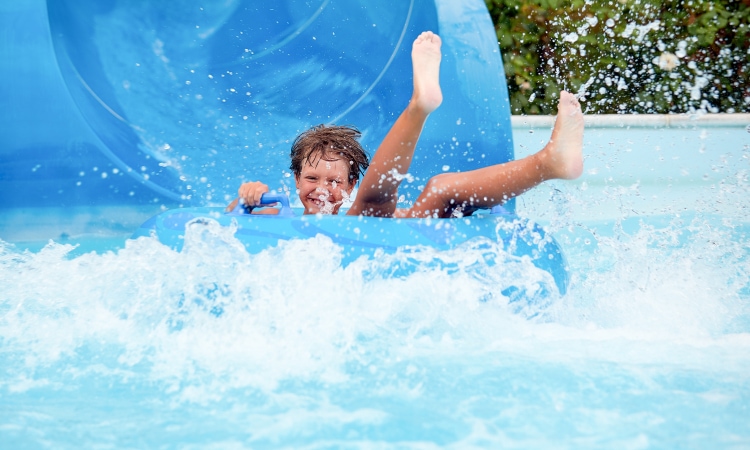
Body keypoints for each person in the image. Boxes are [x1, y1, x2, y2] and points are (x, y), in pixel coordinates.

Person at [226, 31, 584, 218]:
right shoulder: (279, 212)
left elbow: (389, 211)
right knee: (392, 199)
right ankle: (420, 106)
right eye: (312, 178)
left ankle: (548, 162)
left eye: (335, 181)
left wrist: (403, 215)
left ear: (351, 184)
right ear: (295, 179)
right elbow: (231, 221)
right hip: (368, 221)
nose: (321, 189)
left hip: (374, 226)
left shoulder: (357, 208)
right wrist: (248, 196)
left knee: (435, 190)